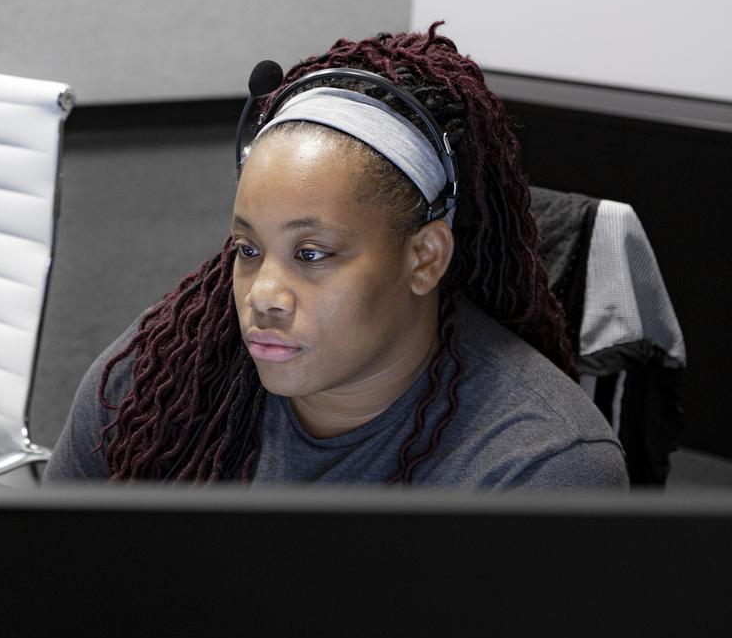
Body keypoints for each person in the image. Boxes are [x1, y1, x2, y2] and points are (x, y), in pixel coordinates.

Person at [45, 25, 628, 487]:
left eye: (312, 253)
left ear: (424, 258)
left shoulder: (538, 469)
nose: (262, 295)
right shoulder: (151, 388)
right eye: (248, 249)